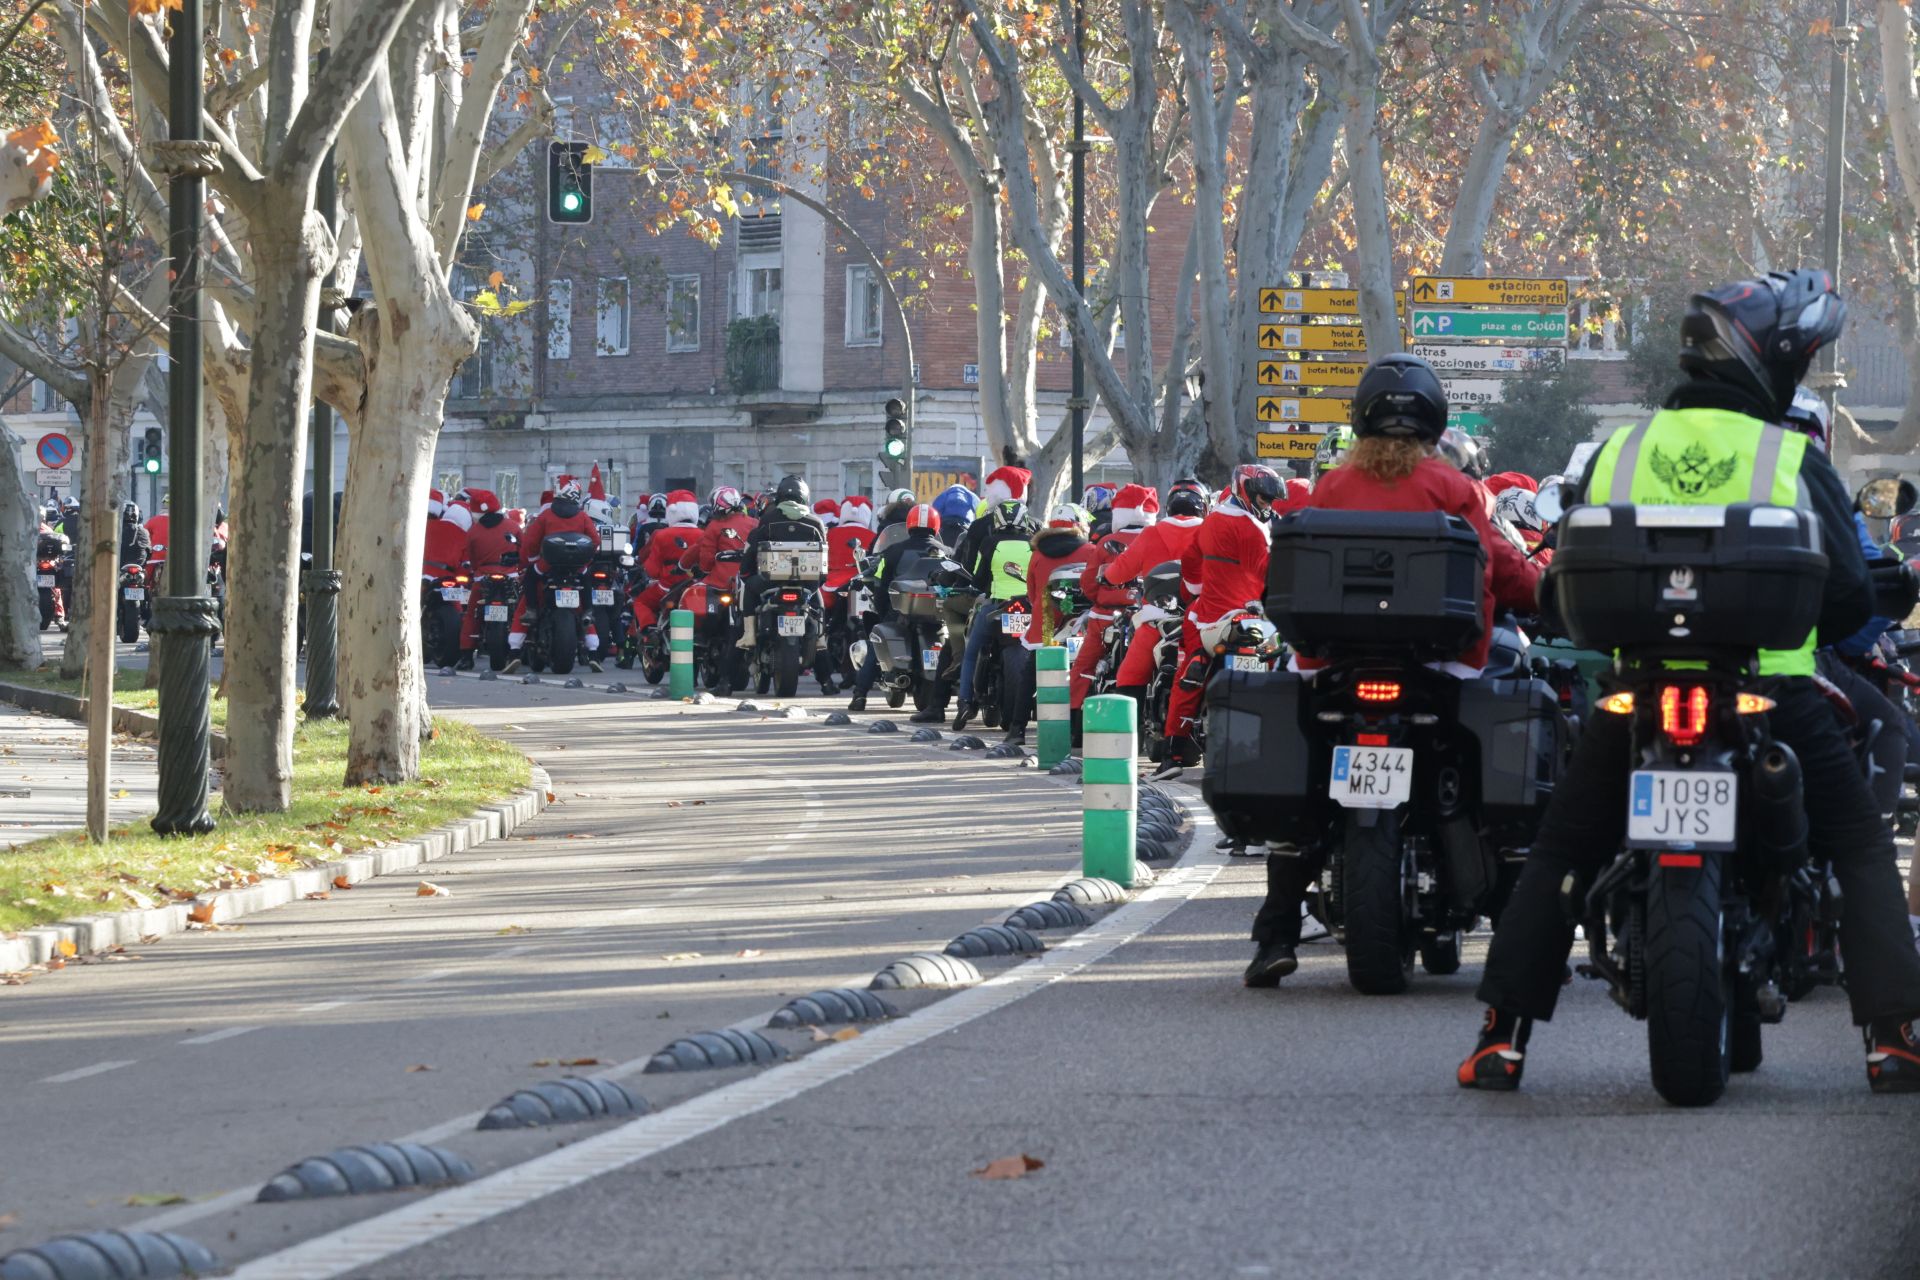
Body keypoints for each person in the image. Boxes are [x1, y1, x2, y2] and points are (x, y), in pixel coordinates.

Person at [1460, 269, 1920, 1095]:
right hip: (1773, 691)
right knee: (1857, 845)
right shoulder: (1788, 456)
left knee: (1562, 849)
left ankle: (1502, 1037)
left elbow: (1563, 586)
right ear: (1767, 364)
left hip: (1636, 691)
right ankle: (1893, 1038)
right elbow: (1851, 594)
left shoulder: (1620, 452)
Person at [1243, 355, 1540, 987]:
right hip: (1440, 664)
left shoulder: (1331, 486)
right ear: (1434, 420)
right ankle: (1522, 931)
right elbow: (1500, 568)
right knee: (1484, 775)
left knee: (1305, 795)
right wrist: (1544, 589)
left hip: (1334, 662)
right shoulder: (1458, 488)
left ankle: (1274, 936)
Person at [1160, 465, 1286, 775]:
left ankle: (1173, 751)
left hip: (1210, 622)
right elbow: (1272, 576)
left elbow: (1190, 563)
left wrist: (1197, 590)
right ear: (1246, 492)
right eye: (1263, 499)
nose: (1267, 505)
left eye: (1270, 500)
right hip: (1255, 622)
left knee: (1188, 669)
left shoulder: (1212, 521)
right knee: (1286, 660)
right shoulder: (1254, 531)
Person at [1013, 503, 1099, 746]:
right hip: (1084, 620)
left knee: (1031, 672)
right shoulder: (1091, 550)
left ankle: (1017, 729)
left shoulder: (1038, 555)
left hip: (1047, 621)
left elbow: (1031, 594)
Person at [847, 503, 946, 713]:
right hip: (937, 614)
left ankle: (859, 695)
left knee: (876, 641)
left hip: (903, 612)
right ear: (936, 526)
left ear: (909, 525)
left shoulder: (894, 551)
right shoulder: (946, 553)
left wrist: (884, 610)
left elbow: (882, 584)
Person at [950, 494, 1038, 731]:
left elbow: (979, 580)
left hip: (996, 606)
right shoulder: (1034, 543)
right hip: (1030, 608)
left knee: (971, 652)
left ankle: (965, 702)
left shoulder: (990, 543)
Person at [1072, 484, 1157, 722]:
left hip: (1106, 616)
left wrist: (1098, 597)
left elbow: (1088, 583)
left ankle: (1074, 721)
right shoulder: (1157, 538)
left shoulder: (1108, 541)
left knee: (1084, 667)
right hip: (1149, 615)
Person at [504, 478, 601, 670]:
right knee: (583, 602)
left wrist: (531, 561)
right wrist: (584, 562)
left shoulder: (546, 515)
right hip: (576, 569)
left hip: (546, 566)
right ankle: (593, 652)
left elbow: (531, 542)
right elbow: (595, 541)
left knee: (528, 590)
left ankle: (515, 648)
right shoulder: (582, 517)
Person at [736, 474, 829, 652]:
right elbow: (823, 557)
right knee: (816, 593)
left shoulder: (768, 519)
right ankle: (821, 637)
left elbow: (753, 549)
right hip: (807, 581)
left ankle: (749, 635)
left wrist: (746, 573)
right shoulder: (816, 522)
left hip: (770, 581)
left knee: (749, 587)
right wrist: (819, 580)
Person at [455, 488, 520, 667]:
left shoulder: (474, 532)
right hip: (511, 575)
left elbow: (472, 558)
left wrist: (477, 571)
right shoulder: (513, 526)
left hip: (483, 577)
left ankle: (466, 655)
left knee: (472, 615)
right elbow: (523, 549)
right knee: (520, 610)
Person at [629, 490, 701, 633]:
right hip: (695, 588)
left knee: (641, 602)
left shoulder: (661, 535)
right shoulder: (703, 534)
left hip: (667, 587)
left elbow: (652, 570)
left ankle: (649, 630)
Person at [680, 485, 757, 591]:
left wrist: (704, 570)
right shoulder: (754, 523)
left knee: (693, 594)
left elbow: (706, 560)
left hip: (721, 582)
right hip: (749, 580)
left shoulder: (714, 526)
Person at [119, 502, 150, 569]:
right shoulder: (144, 531)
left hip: (120, 566)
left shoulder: (117, 530)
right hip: (139, 566)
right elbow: (149, 551)